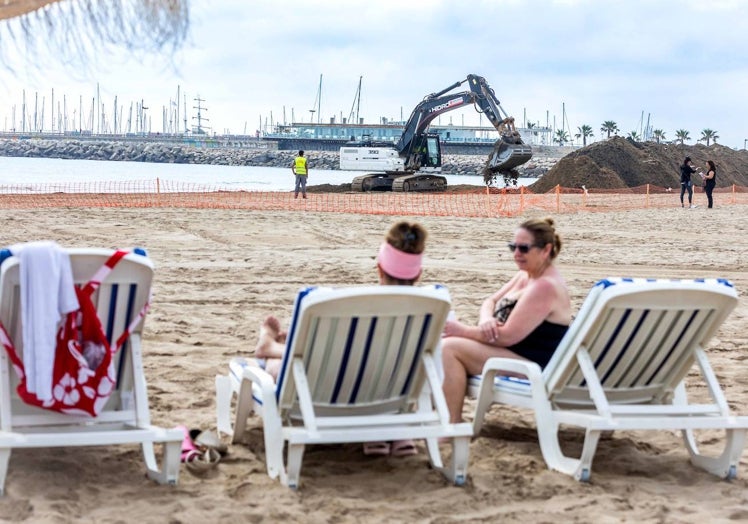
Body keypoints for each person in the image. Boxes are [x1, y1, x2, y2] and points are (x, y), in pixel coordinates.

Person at [254, 221, 428, 457]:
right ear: (418, 273)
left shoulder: (356, 306)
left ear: (379, 268)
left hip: (322, 398)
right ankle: (394, 431)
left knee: (289, 362)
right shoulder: (432, 310)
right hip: (391, 398)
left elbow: (327, 355)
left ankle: (270, 346)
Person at [441, 217, 572, 424]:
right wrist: (486, 319)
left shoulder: (544, 287)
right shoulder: (527, 275)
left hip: (534, 366)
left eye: (524, 248)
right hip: (515, 352)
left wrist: (461, 330)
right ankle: (444, 417)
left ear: (545, 250)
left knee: (448, 349)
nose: (517, 254)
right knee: (445, 344)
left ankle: (452, 423)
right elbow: (490, 300)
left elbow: (505, 337)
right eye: (513, 247)